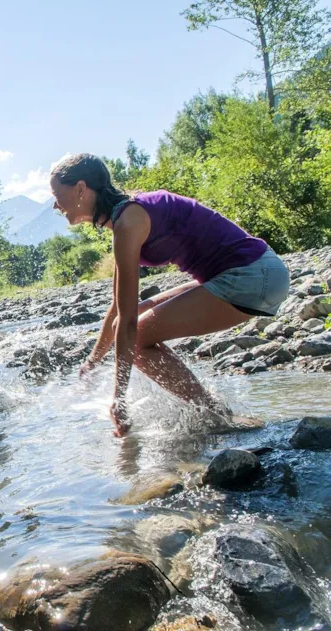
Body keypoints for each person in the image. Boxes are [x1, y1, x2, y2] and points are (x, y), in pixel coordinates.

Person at [49, 154, 290, 437]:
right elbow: (119, 307)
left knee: (136, 336)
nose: (55, 203)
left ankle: (213, 415)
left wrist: (119, 400)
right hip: (260, 271)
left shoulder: (129, 222)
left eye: (56, 194)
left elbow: (126, 324)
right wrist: (93, 360)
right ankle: (214, 411)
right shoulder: (126, 217)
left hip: (251, 276)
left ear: (80, 188)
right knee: (139, 312)